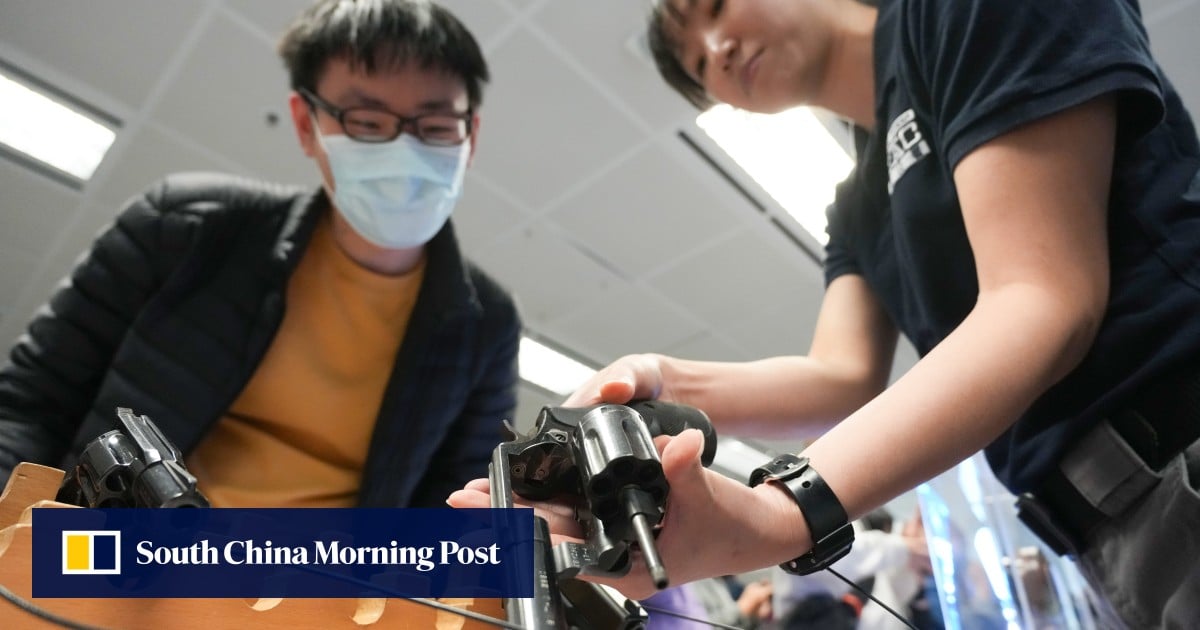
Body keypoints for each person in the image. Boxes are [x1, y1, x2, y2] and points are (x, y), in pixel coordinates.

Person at [450, 0, 1200, 626]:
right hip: (1107, 530)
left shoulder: (965, 12)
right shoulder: (856, 205)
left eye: (716, 7)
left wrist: (783, 513)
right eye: (700, 64)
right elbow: (841, 376)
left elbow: (1042, 298)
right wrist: (658, 377)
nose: (718, 49)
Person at [0, 0, 521, 508]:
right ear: (306, 124)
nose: (403, 151)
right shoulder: (183, 225)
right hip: (117, 550)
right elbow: (30, 406)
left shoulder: (487, 326)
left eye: (435, 127)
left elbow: (455, 509)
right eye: (366, 121)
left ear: (470, 136)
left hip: (324, 566)